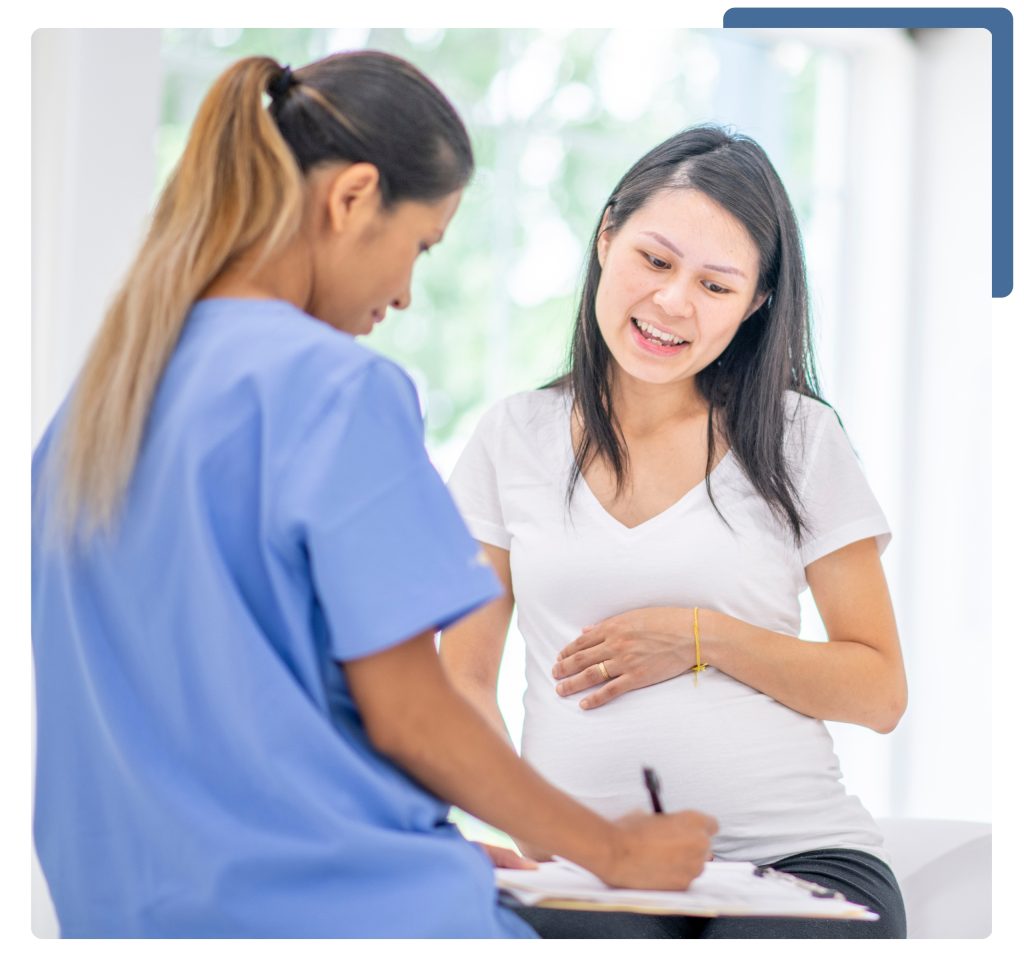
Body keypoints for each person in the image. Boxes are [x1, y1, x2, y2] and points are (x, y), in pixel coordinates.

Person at [30, 52, 717, 939]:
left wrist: (411, 839)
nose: (402, 294)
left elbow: (201, 723)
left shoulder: (97, 403)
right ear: (353, 197)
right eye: (420, 246)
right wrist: (613, 851)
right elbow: (412, 716)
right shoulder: (332, 390)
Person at [441, 125, 909, 939]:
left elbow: (879, 690)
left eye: (716, 285)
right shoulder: (513, 436)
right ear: (607, 237)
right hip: (585, 870)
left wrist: (703, 637)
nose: (671, 303)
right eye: (655, 261)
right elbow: (463, 682)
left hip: (796, 860)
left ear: (757, 302)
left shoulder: (800, 439)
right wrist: (545, 833)